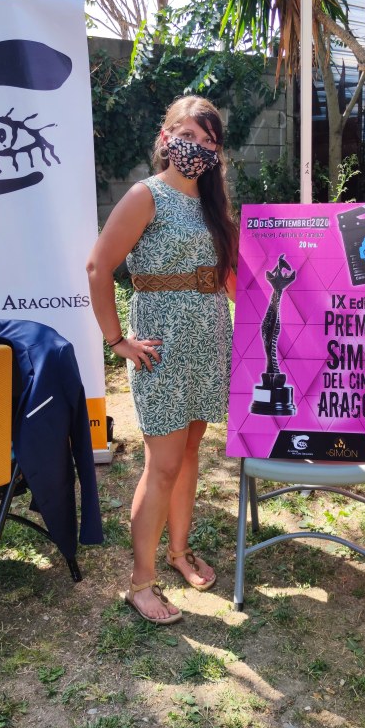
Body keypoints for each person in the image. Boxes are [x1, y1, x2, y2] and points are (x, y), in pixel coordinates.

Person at [86, 96, 236, 624]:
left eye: (207, 139)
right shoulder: (144, 195)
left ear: (217, 151)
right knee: (163, 464)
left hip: (208, 341)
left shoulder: (212, 206)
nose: (196, 147)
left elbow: (231, 279)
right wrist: (116, 340)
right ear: (165, 137)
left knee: (190, 453)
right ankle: (140, 582)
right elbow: (98, 266)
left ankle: (178, 551)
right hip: (162, 348)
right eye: (186, 135)